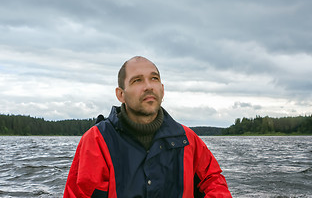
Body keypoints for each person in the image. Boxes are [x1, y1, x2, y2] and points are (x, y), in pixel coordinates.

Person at [64, 56, 232, 198]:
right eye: (137, 80)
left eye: (154, 78)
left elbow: (214, 183)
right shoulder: (97, 140)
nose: (149, 86)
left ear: (162, 90)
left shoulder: (187, 139)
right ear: (120, 94)